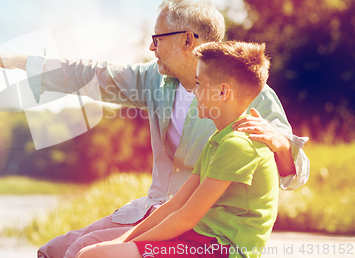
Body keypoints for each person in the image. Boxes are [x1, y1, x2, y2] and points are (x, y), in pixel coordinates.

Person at [0, 0, 309, 258]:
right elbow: (91, 73)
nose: (151, 47)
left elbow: (297, 174)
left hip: (206, 228)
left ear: (188, 40)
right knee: (54, 250)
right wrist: (21, 62)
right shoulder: (154, 80)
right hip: (155, 209)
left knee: (82, 252)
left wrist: (281, 144)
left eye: (158, 38)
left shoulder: (252, 94)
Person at [76, 41, 279, 258]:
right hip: (201, 240)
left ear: (222, 92)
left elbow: (185, 217)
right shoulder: (219, 140)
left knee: (95, 256)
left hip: (223, 250)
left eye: (199, 83)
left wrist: (123, 246)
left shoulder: (238, 144)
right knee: (93, 252)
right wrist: (121, 240)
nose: (193, 91)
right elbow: (174, 205)